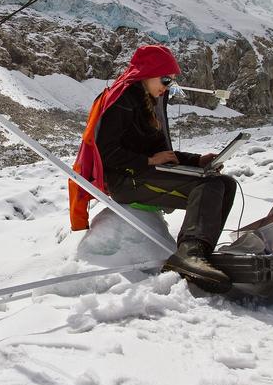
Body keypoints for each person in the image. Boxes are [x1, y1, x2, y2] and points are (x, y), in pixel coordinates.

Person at [69, 44, 237, 293]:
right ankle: (189, 255)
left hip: (142, 174)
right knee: (208, 185)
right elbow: (106, 152)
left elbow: (163, 154)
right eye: (165, 79)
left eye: (171, 82)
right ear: (147, 74)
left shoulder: (150, 102)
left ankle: (200, 252)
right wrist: (148, 161)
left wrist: (197, 160)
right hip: (126, 181)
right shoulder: (123, 100)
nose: (167, 86)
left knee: (225, 184)